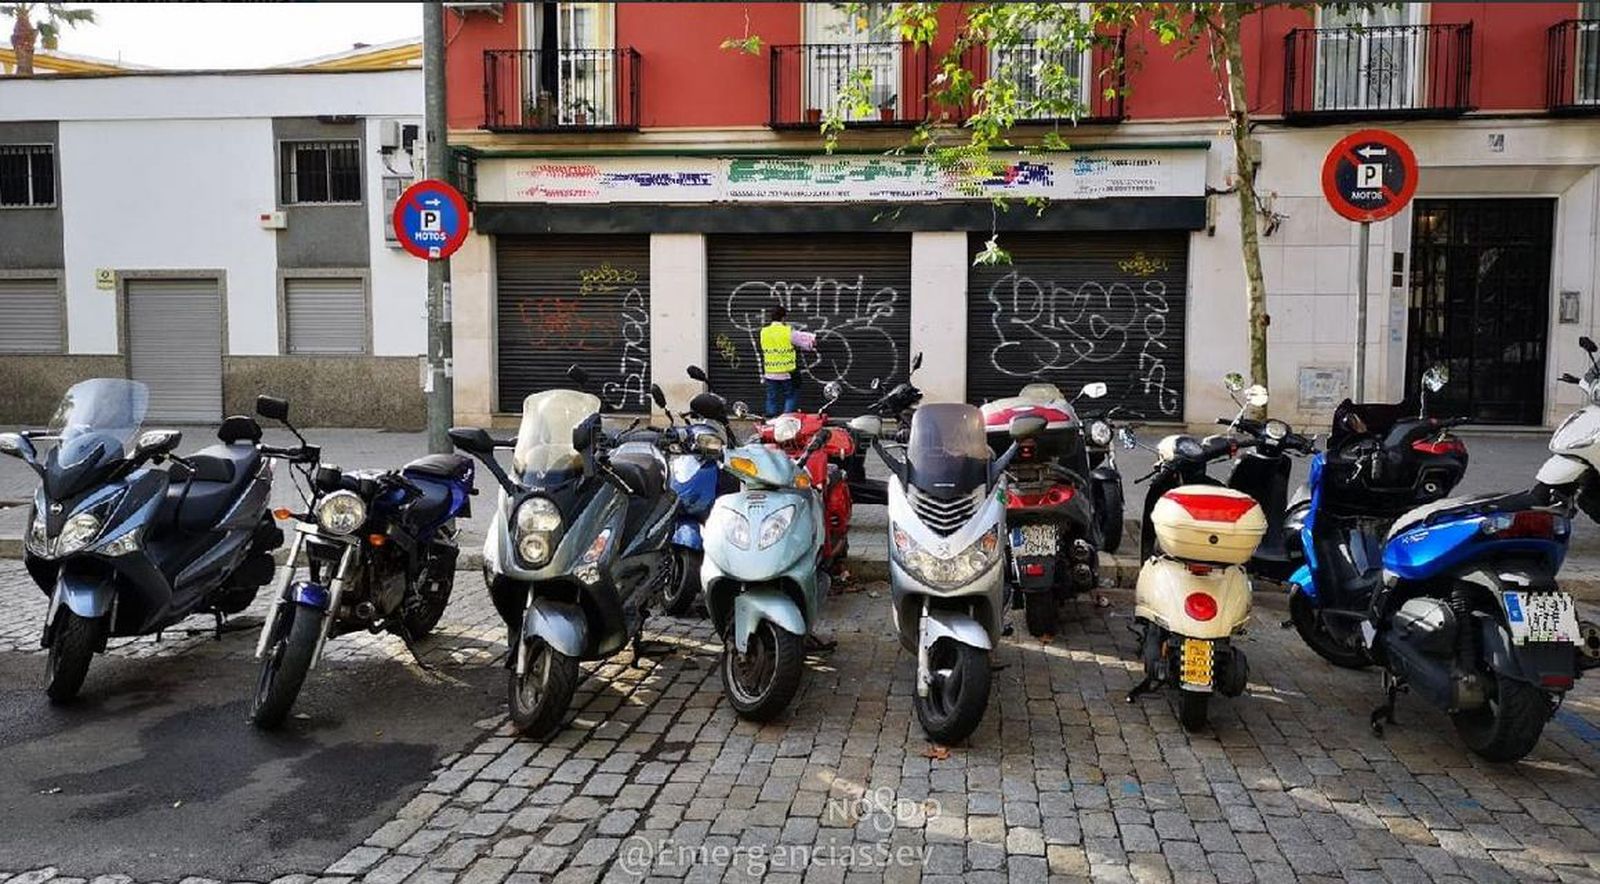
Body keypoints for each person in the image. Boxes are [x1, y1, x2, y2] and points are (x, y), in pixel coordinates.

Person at [759, 305, 816, 416]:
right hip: (787, 372)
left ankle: (771, 421)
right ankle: (787, 420)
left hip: (770, 372)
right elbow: (805, 342)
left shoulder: (764, 332)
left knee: (772, 398)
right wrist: (812, 341)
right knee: (791, 395)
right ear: (783, 318)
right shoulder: (788, 331)